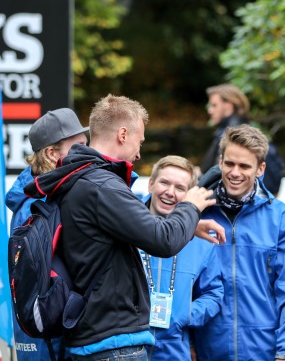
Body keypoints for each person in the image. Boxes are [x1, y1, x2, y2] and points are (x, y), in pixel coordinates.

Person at [23, 94, 225, 361]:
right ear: (122, 134)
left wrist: (189, 224)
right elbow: (163, 240)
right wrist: (190, 206)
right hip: (113, 344)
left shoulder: (79, 180)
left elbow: (136, 227)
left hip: (97, 337)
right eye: (139, 141)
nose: (139, 152)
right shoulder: (101, 186)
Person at [193, 124, 285, 360]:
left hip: (264, 350)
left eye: (244, 166)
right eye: (230, 163)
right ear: (219, 162)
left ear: (260, 168)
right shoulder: (198, 213)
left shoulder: (281, 218)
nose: (235, 172)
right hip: (207, 349)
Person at [6, 108, 88, 361]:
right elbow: (39, 288)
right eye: (78, 147)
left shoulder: (50, 194)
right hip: (47, 341)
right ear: (52, 153)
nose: (87, 153)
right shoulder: (34, 206)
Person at [141, 155, 223, 361]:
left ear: (189, 196)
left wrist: (185, 314)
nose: (170, 192)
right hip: (128, 346)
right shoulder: (126, 226)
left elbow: (214, 293)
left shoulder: (202, 241)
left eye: (180, 188)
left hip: (174, 349)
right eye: (164, 183)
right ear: (151, 184)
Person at [199, 83, 285, 194]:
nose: (210, 110)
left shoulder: (229, 137)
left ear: (228, 106)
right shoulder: (249, 128)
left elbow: (216, 177)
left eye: (214, 105)